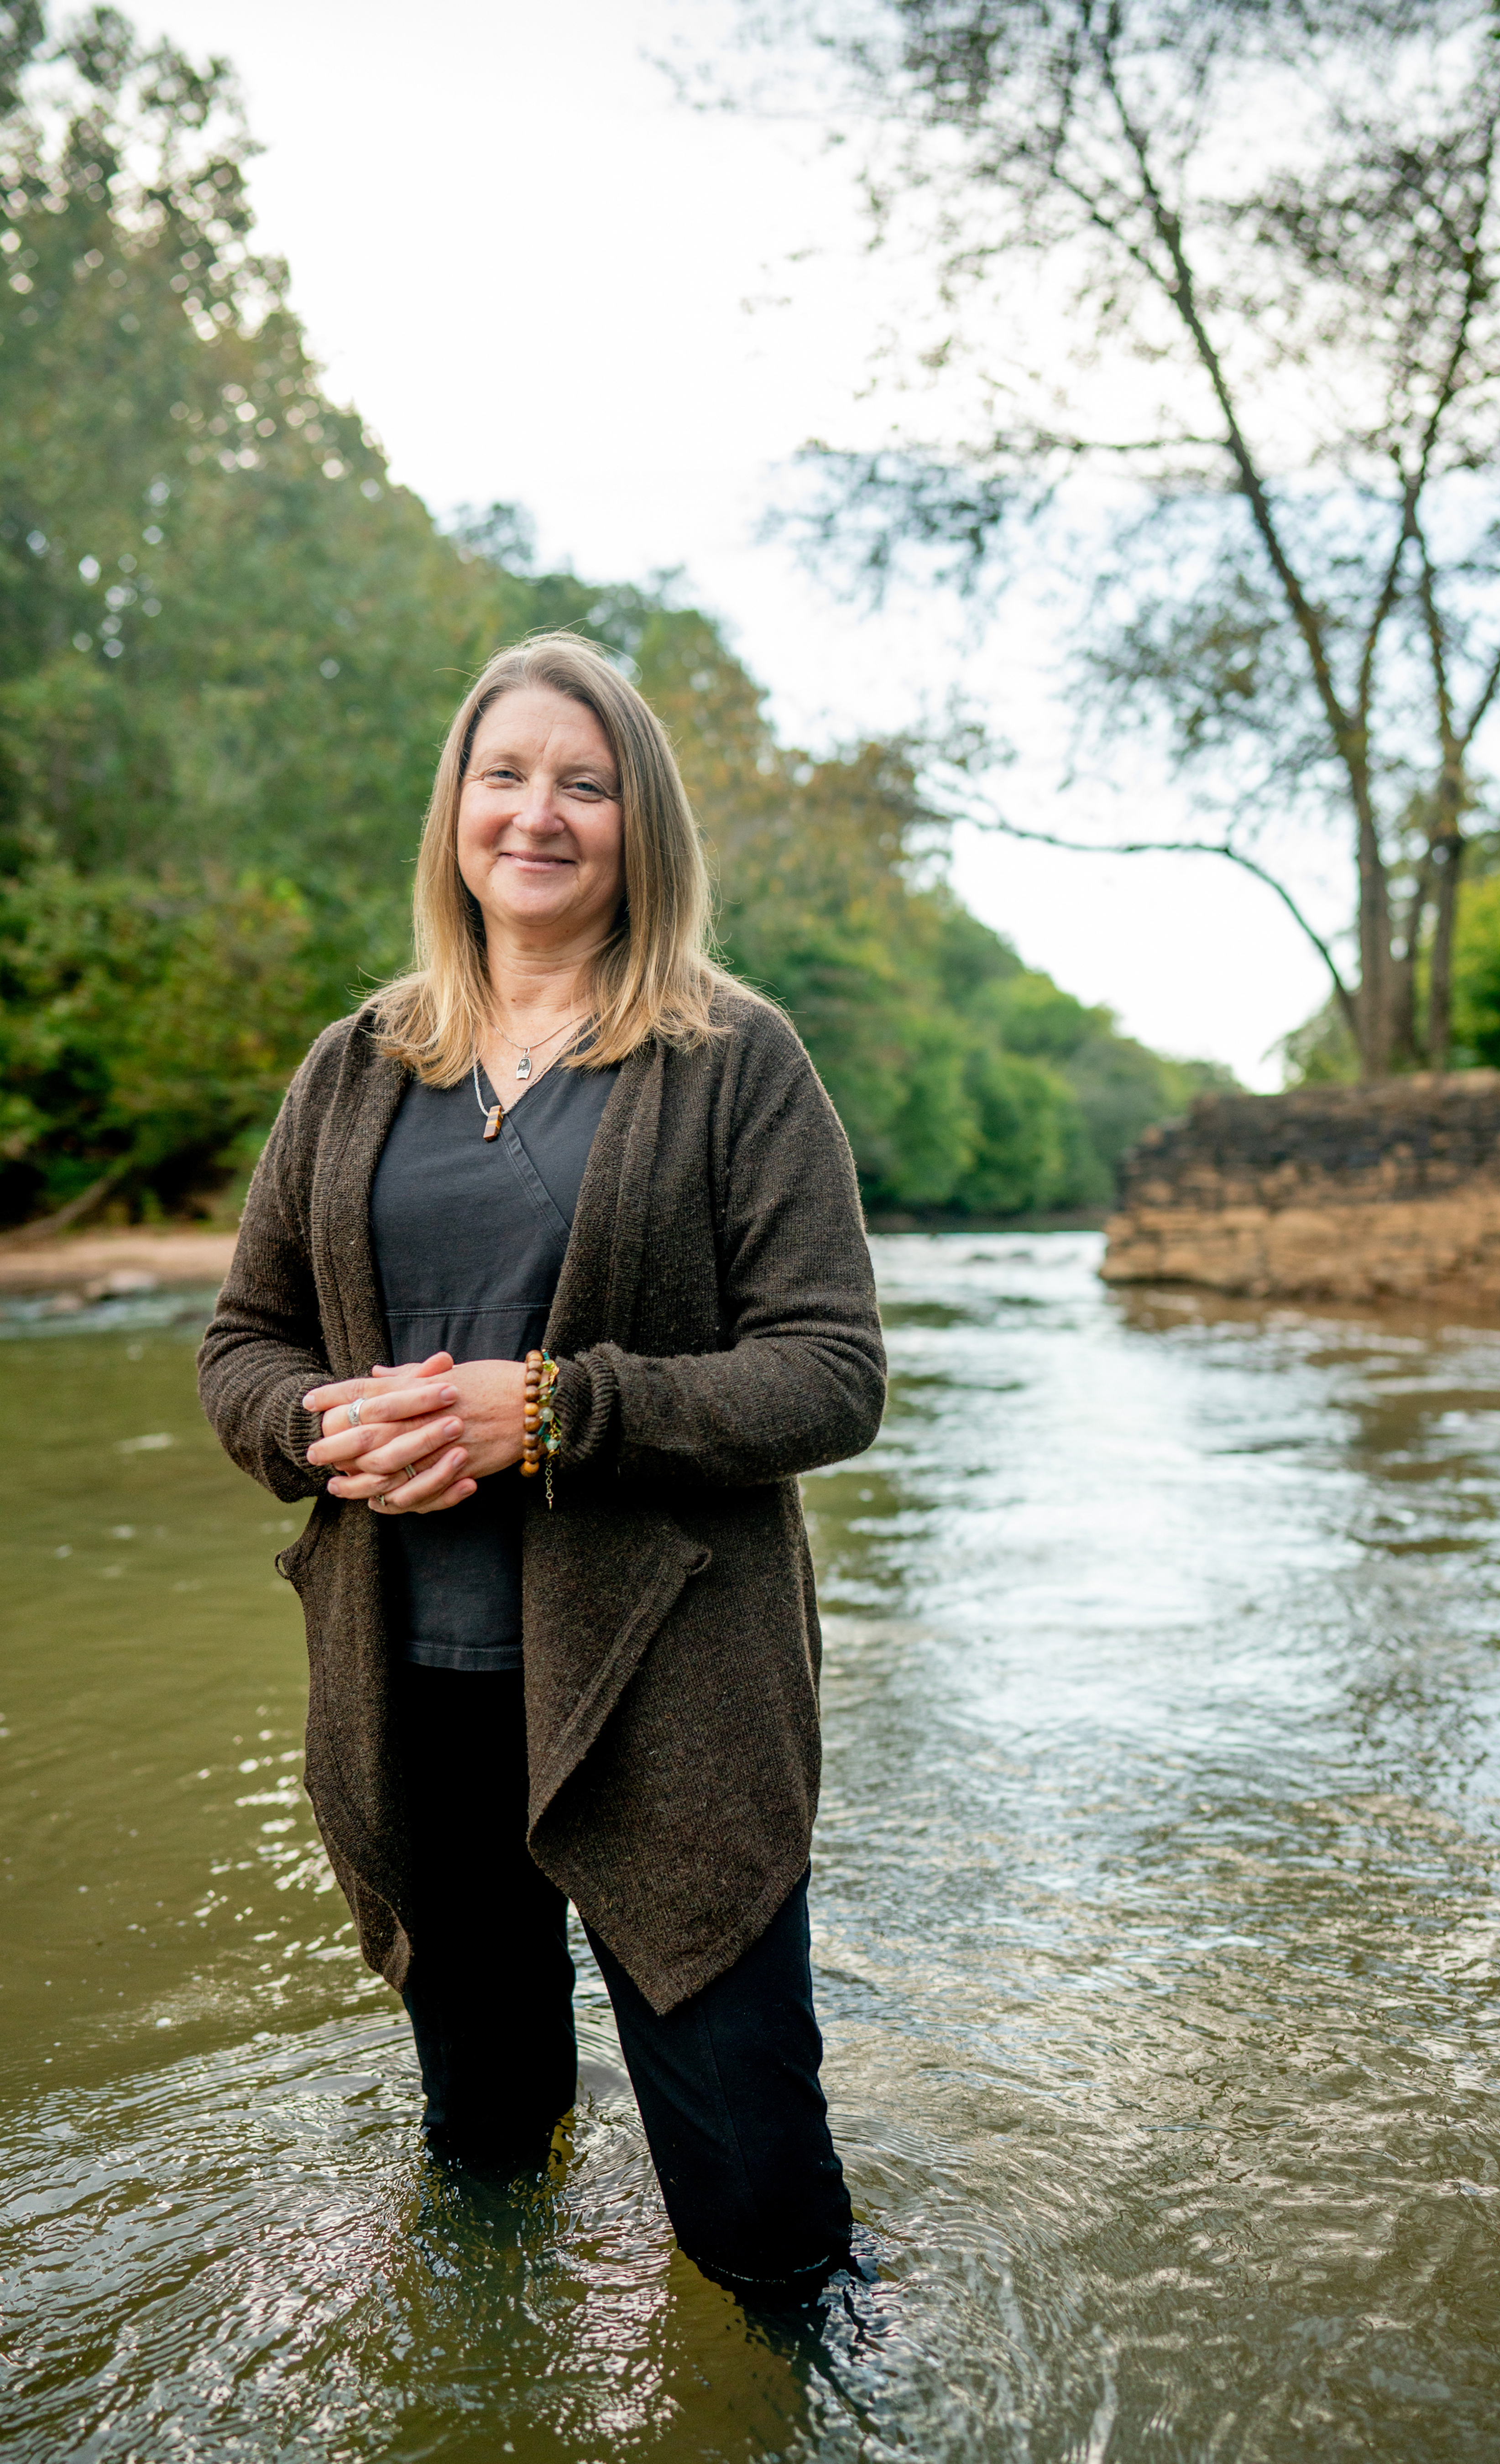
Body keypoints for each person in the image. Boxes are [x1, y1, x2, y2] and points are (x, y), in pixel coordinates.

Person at [197, 631, 886, 2310]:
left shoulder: (734, 1058)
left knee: (758, 2201)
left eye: (585, 784)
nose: (539, 814)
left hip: (670, 1691)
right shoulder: (357, 1062)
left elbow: (831, 1372)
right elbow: (244, 1345)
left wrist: (556, 1412)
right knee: (488, 2139)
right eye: (503, 775)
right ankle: (494, 2387)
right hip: (412, 1688)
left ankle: (810, 2393)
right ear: (454, 811)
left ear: (641, 825)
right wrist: (318, 1428)